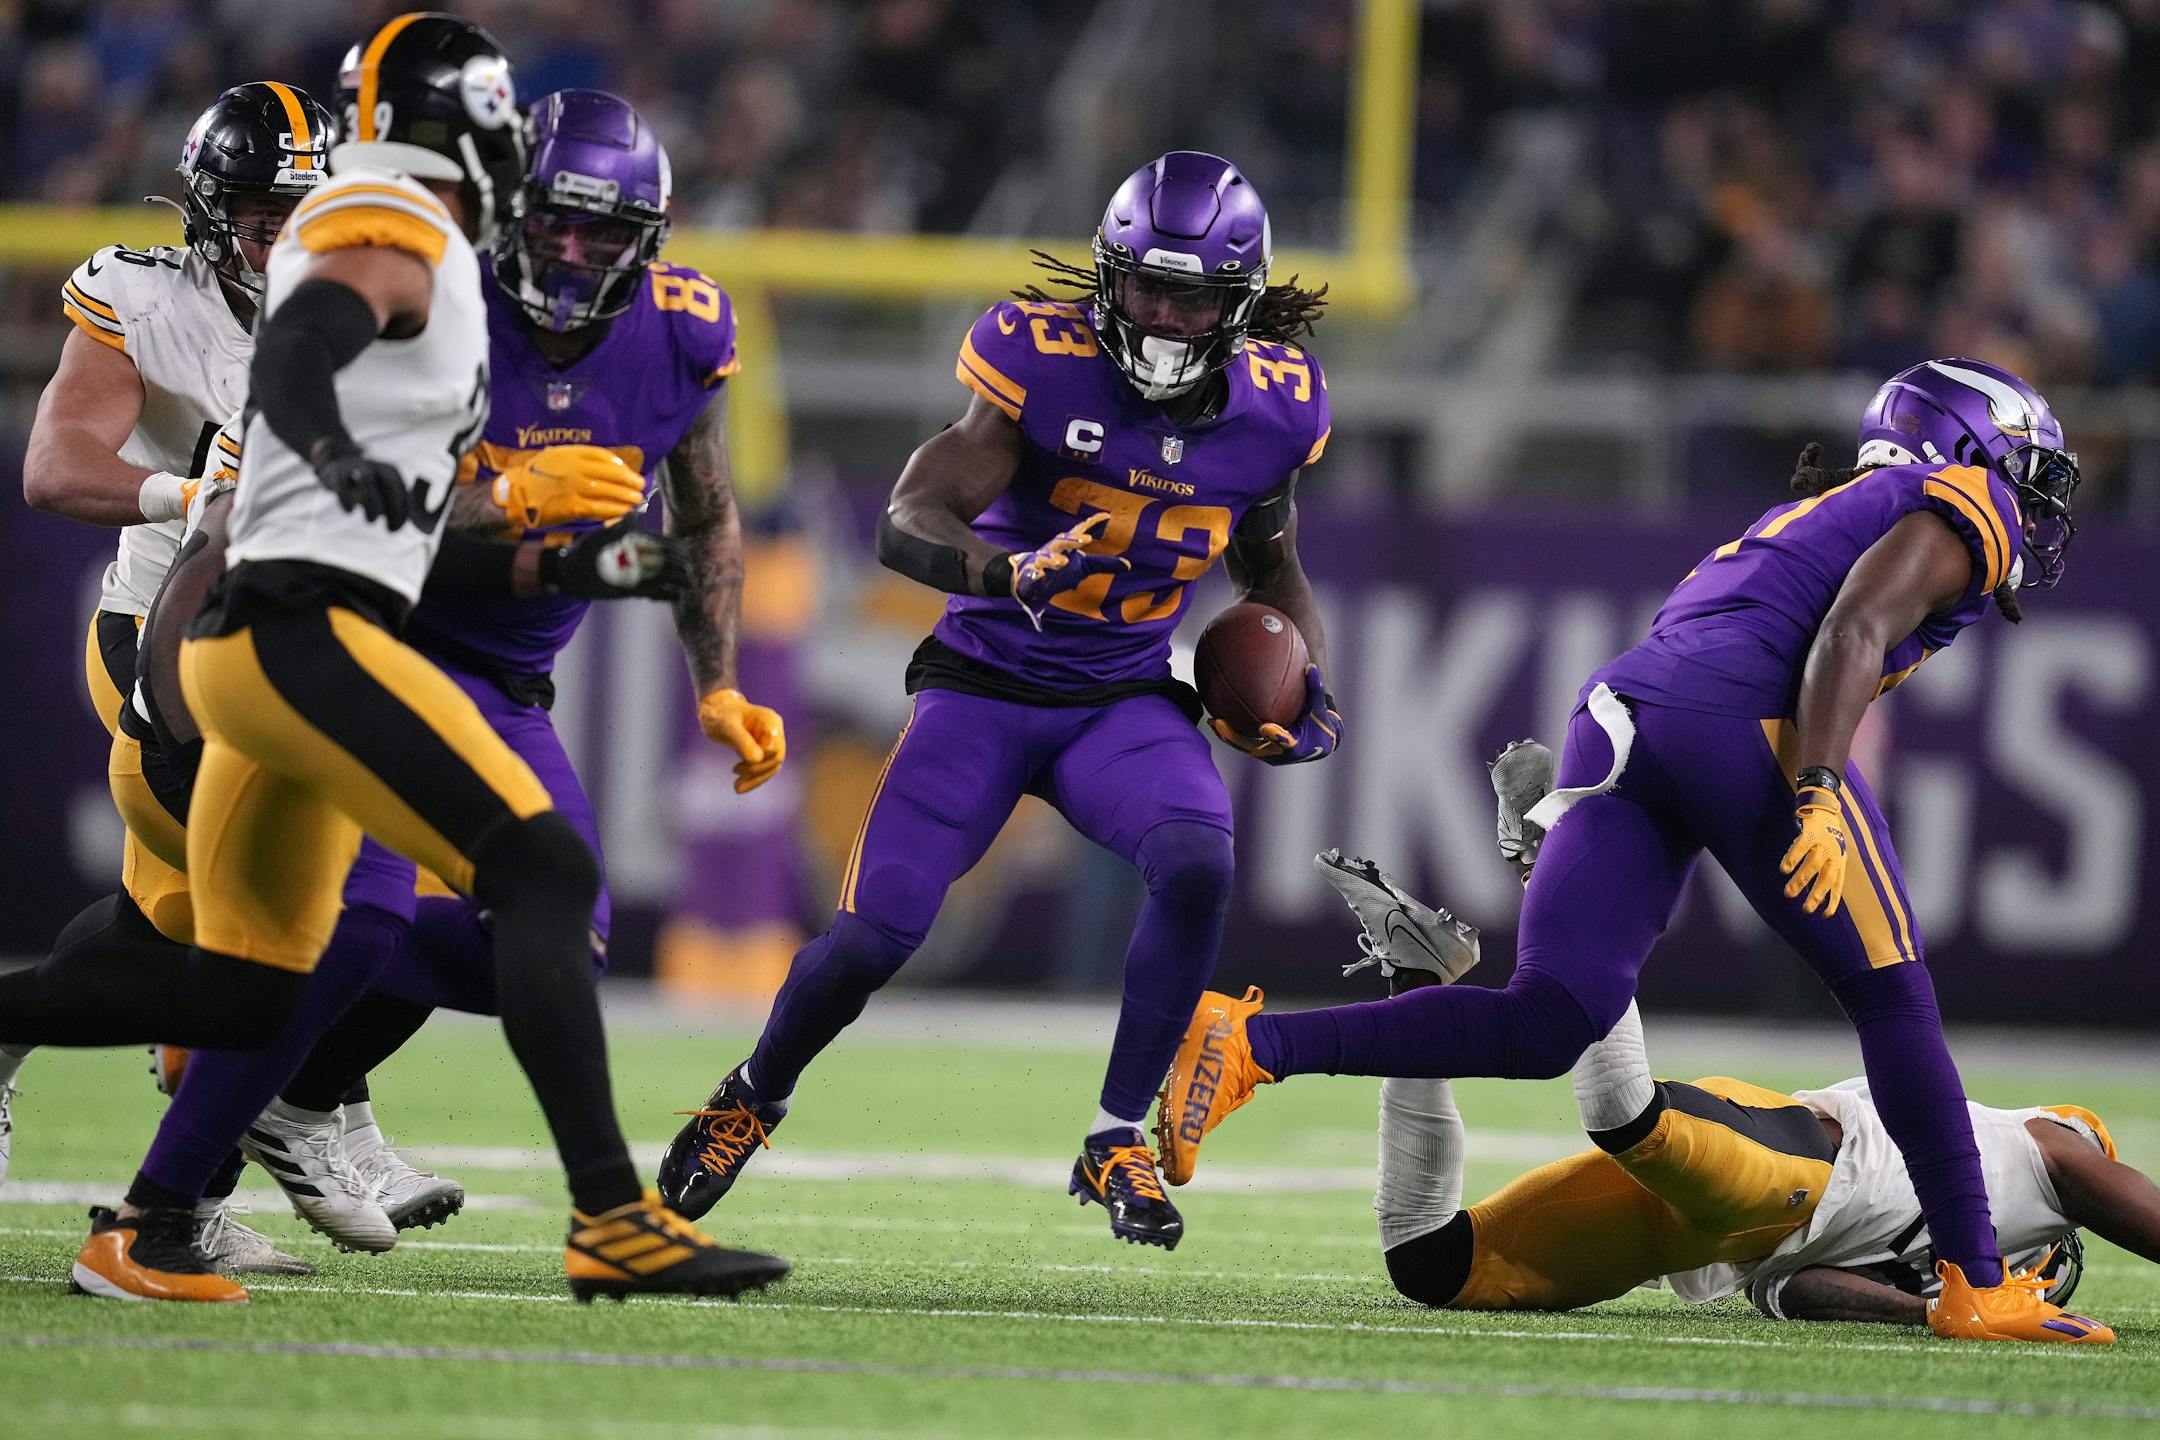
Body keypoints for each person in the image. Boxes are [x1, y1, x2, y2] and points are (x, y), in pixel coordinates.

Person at [0, 12, 786, 1306]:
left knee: (248, 992)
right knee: (497, 881)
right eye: (548, 214)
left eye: (604, 235)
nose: (568, 251)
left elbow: (556, 512)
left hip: (316, 630)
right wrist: (394, 478)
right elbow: (300, 385)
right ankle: (608, 1217)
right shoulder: (401, 236)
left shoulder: (509, 272)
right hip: (279, 632)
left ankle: (155, 1219)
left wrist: (607, 580)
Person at [1155, 358, 2101, 1340]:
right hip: (1748, 718)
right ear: (1967, 447)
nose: (2033, 499)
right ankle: (1976, 1280)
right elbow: (1858, 628)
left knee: (1550, 1018)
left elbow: (1761, 626)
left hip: (1624, 713)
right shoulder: (1963, 499)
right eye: (2028, 468)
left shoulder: (1827, 516)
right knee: (1891, 995)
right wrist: (1816, 783)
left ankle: (1253, 1044)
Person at [657, 151, 1338, 1249]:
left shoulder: (1277, 409)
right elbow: (909, 514)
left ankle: (1116, 1133)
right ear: (1108, 277)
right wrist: (1004, 573)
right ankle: (753, 1092)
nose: (1164, 318)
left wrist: (1304, 672)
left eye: (1193, 295)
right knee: (876, 936)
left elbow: (1272, 571)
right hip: (987, 680)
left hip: (1119, 694)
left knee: (1198, 856)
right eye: (1146, 288)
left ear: (1241, 302)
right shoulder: (1042, 362)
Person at [1305, 764, 2125, 1341]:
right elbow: (2105, 1188)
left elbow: (1797, 1289)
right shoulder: (2042, 1163)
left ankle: (1417, 974)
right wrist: (1974, 1294)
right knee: (1624, 1116)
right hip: (1808, 1166)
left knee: (1427, 1261)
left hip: (1715, 1242)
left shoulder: (1931, 1275)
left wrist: (1931, 1310)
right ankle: (1549, 854)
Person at [0, 81, 341, 1274]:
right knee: (252, 955)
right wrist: (183, 494)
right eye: (260, 214)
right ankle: (244, 1162)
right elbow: (54, 463)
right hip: (163, 630)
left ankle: (180, 1193)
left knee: (175, 947)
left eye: (305, 210)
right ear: (209, 212)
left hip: (295, 638)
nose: (283, 237)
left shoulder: (379, 304)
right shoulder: (149, 298)